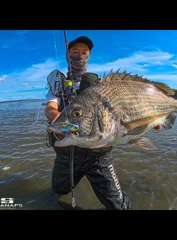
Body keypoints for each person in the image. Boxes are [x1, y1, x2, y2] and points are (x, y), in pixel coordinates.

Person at [43, 36, 131, 210]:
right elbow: (51, 106)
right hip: (68, 154)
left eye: (84, 52)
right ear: (68, 55)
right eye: (75, 52)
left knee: (118, 206)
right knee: (58, 191)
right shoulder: (58, 85)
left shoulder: (99, 85)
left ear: (89, 56)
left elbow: (123, 109)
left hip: (98, 155)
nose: (80, 56)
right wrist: (57, 117)